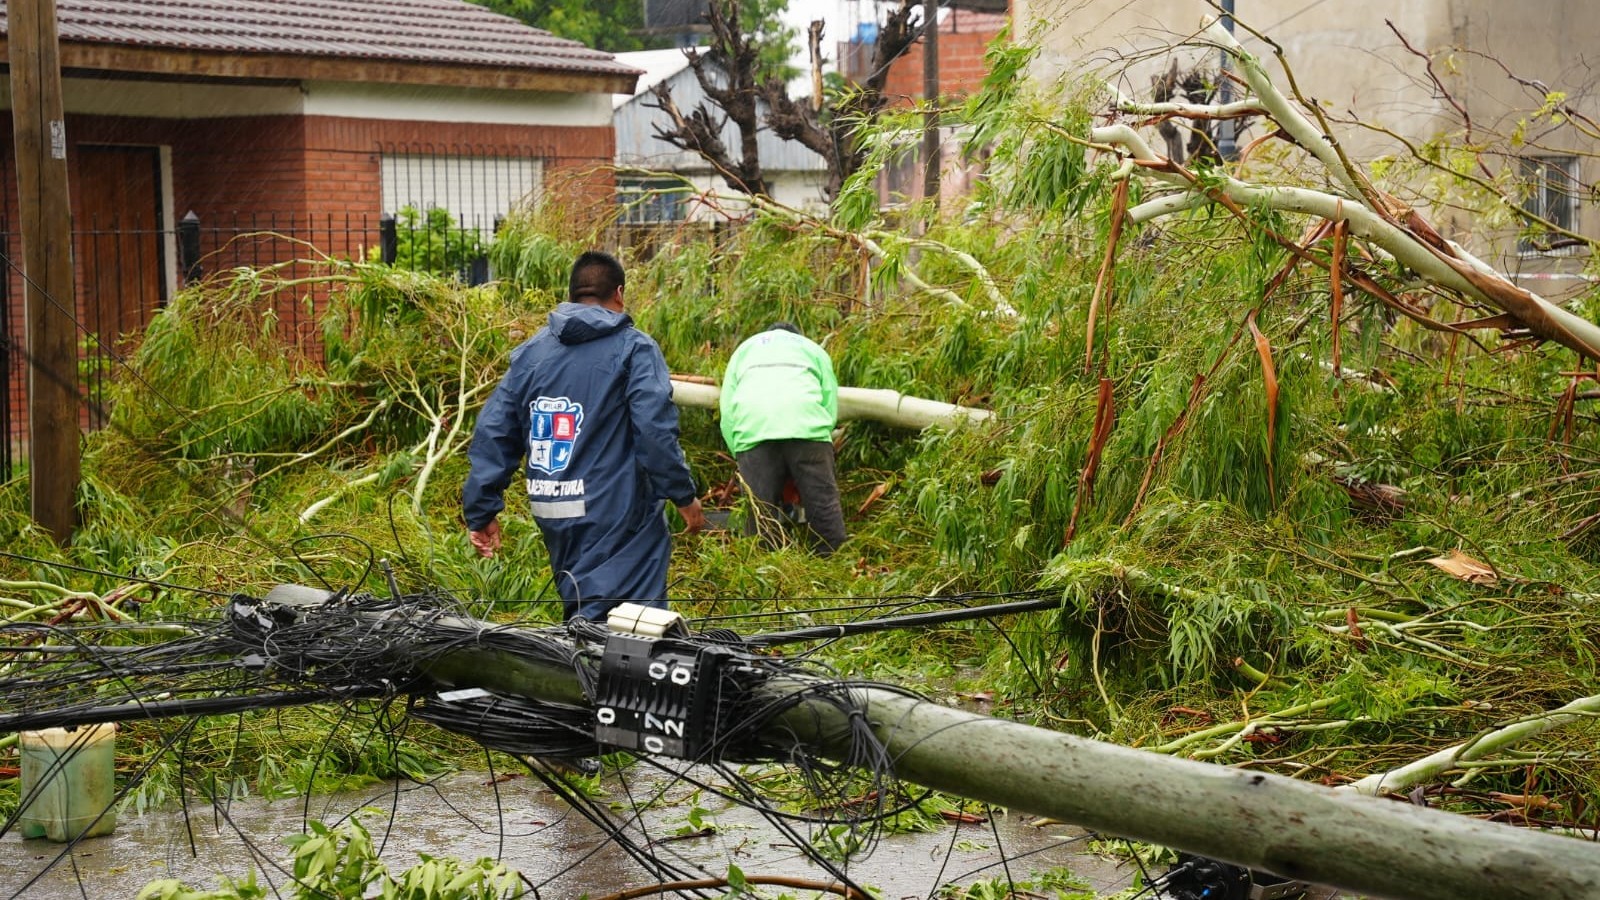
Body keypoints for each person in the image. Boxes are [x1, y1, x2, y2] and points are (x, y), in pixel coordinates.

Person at [462, 250, 706, 621]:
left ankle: (581, 650)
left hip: (553, 506)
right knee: (629, 625)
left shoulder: (530, 354)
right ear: (619, 294)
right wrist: (682, 494)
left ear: (572, 294)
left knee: (583, 602)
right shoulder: (634, 348)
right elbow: (654, 430)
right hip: (617, 511)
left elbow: (494, 431)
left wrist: (480, 511)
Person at [719, 323, 847, 555]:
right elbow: (829, 401)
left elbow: (727, 410)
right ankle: (833, 557)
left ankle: (764, 562)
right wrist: (821, 434)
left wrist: (738, 450)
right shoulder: (812, 349)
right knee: (822, 502)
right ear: (796, 335)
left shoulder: (744, 349)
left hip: (754, 428)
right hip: (807, 426)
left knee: (759, 510)